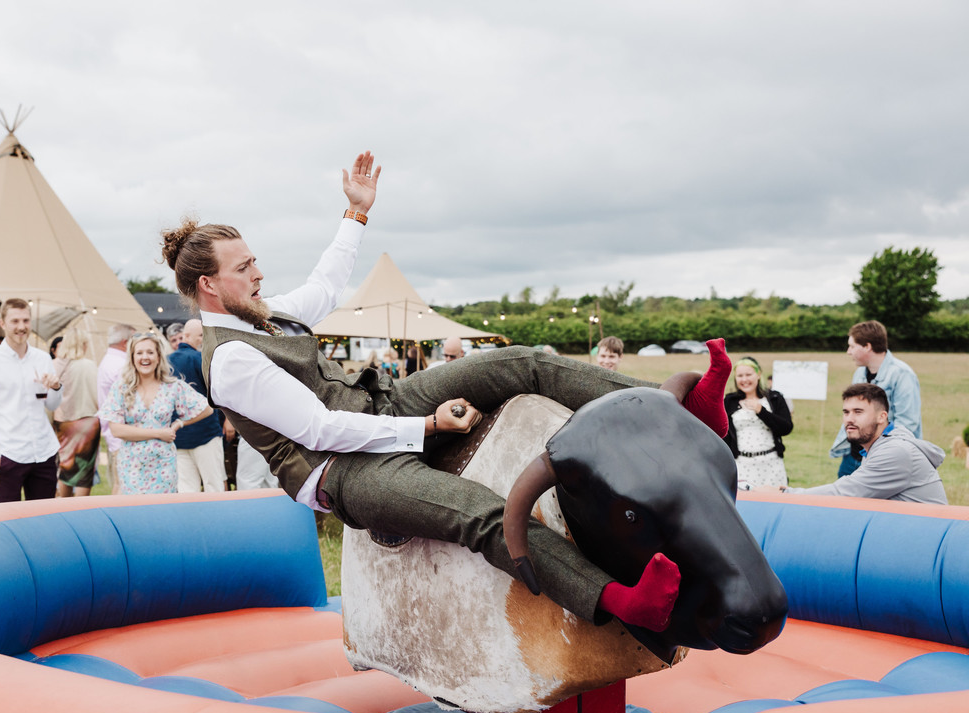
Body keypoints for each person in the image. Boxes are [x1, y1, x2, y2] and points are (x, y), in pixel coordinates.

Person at [164, 150, 732, 632]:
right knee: (481, 513)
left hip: (378, 405)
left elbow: (326, 283)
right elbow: (320, 429)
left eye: (255, 259)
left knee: (520, 361)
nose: (258, 272)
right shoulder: (231, 359)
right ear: (210, 285)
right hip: (340, 466)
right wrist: (429, 428)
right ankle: (616, 601)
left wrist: (356, 213)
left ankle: (677, 409)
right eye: (245, 267)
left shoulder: (267, 312)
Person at [762, 384, 945, 504]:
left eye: (858, 412)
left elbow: (845, 494)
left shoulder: (895, 452)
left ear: (882, 417)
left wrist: (785, 495)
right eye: (846, 412)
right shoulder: (880, 445)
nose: (849, 419)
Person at [0, 298, 63, 503]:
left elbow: (52, 405)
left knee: (43, 518)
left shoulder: (43, 358)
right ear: (2, 323)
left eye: (26, 321)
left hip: (44, 451)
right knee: (10, 521)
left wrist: (56, 387)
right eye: (15, 321)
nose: (21, 327)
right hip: (9, 454)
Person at [98, 333, 213, 495]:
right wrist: (159, 433)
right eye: (139, 353)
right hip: (132, 466)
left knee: (163, 514)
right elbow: (117, 430)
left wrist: (178, 424)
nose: (145, 357)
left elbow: (206, 408)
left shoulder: (172, 386)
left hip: (163, 466)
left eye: (150, 352)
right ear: (132, 357)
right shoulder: (122, 388)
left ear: (159, 357)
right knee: (134, 513)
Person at [830, 320, 922, 477]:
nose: (848, 352)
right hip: (853, 456)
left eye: (852, 346)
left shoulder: (902, 374)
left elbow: (908, 423)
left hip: (886, 459)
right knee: (841, 500)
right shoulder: (859, 373)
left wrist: (880, 451)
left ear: (867, 346)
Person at [168, 319, 227, 492]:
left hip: (178, 434)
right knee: (214, 485)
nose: (203, 339)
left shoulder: (165, 362)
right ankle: (216, 519)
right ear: (185, 336)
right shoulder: (202, 359)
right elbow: (219, 394)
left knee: (186, 490)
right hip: (206, 432)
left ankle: (190, 520)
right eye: (200, 335)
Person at [723, 357, 792, 488]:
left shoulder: (774, 398)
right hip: (742, 464)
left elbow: (786, 428)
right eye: (740, 376)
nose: (744, 380)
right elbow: (724, 433)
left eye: (749, 374)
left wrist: (761, 412)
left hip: (771, 463)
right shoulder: (729, 401)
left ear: (758, 374)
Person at [52, 327, 101, 497]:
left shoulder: (55, 365)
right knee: (83, 472)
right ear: (83, 344)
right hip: (87, 422)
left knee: (65, 467)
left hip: (62, 422)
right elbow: (98, 396)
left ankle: (63, 506)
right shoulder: (88, 365)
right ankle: (80, 507)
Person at [97, 323, 136, 492]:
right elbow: (131, 402)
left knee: (119, 484)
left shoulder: (108, 361)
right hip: (123, 438)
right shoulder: (121, 366)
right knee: (123, 488)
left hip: (114, 436)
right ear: (125, 342)